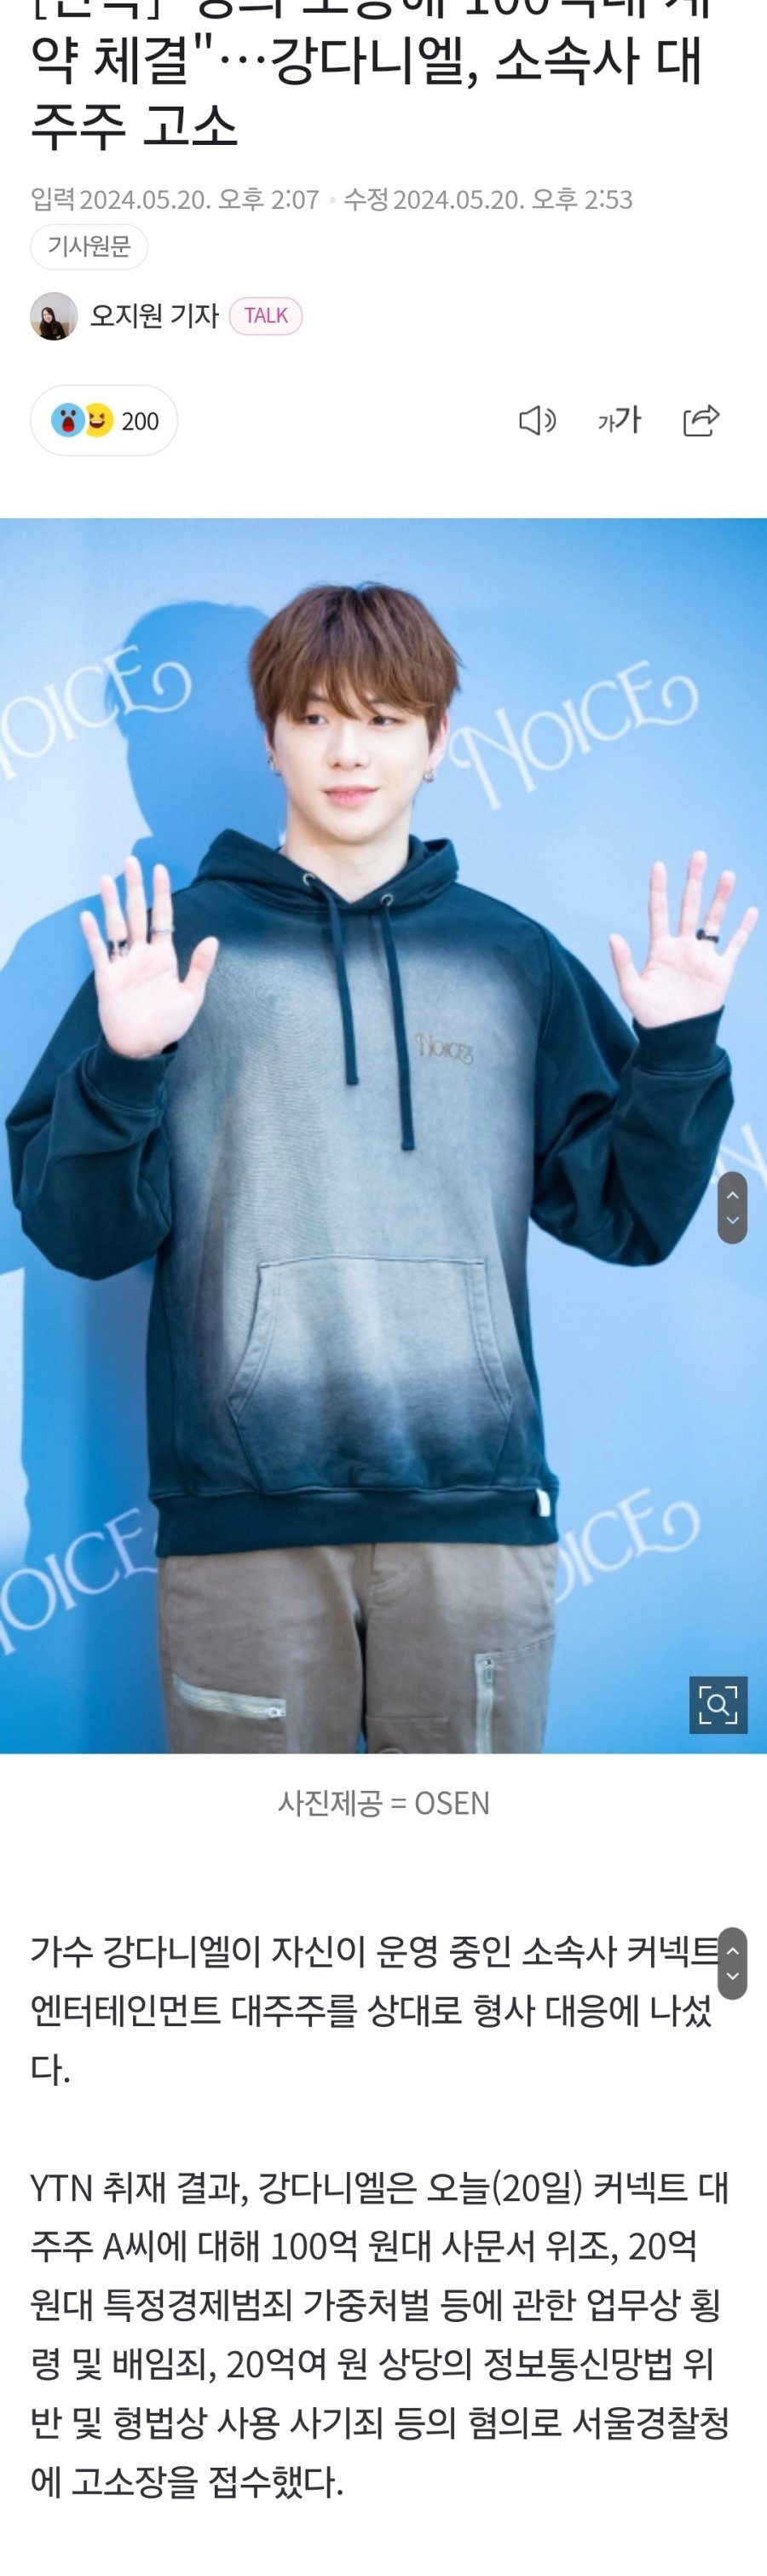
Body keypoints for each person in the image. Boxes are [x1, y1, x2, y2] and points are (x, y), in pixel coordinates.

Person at [6, 583, 758, 1754]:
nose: (347, 752)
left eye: (384, 718)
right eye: (312, 717)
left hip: (475, 1517)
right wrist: (126, 1065)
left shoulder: (512, 958)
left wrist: (674, 1054)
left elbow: (629, 1217)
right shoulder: (165, 950)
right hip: (242, 1523)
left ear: (438, 739)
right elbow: (81, 1235)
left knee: (460, 1862)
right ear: (270, 740)